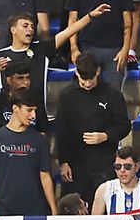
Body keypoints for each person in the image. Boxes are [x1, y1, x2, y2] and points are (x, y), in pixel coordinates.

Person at [53, 52, 131, 200]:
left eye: (91, 79)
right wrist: (63, 161)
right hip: (76, 164)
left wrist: (106, 136)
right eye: (83, 80)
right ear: (76, 72)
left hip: (104, 164)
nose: (87, 84)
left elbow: (124, 125)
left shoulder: (112, 94)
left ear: (98, 71)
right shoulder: (67, 96)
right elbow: (62, 131)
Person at [0, 88, 60, 215]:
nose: (33, 115)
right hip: (4, 209)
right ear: (15, 108)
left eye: (35, 110)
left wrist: (53, 208)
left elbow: (45, 176)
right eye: (29, 110)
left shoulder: (40, 140)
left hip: (35, 209)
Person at [93, 146, 140, 215]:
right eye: (118, 166)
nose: (122, 170)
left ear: (137, 167)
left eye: (127, 166)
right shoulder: (104, 189)